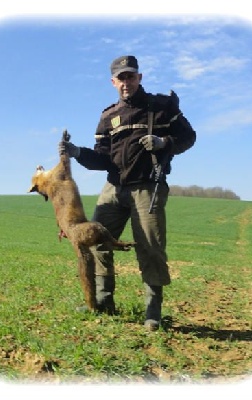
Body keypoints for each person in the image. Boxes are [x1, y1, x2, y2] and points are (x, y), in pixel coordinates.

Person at [59, 55, 196, 330]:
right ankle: (102, 301)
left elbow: (188, 137)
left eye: (130, 76)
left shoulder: (163, 107)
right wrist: (77, 153)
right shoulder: (108, 116)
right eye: (121, 78)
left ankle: (152, 311)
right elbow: (103, 158)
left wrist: (163, 142)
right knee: (96, 240)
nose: (126, 82)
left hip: (148, 188)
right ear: (113, 82)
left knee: (151, 247)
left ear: (139, 78)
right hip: (114, 188)